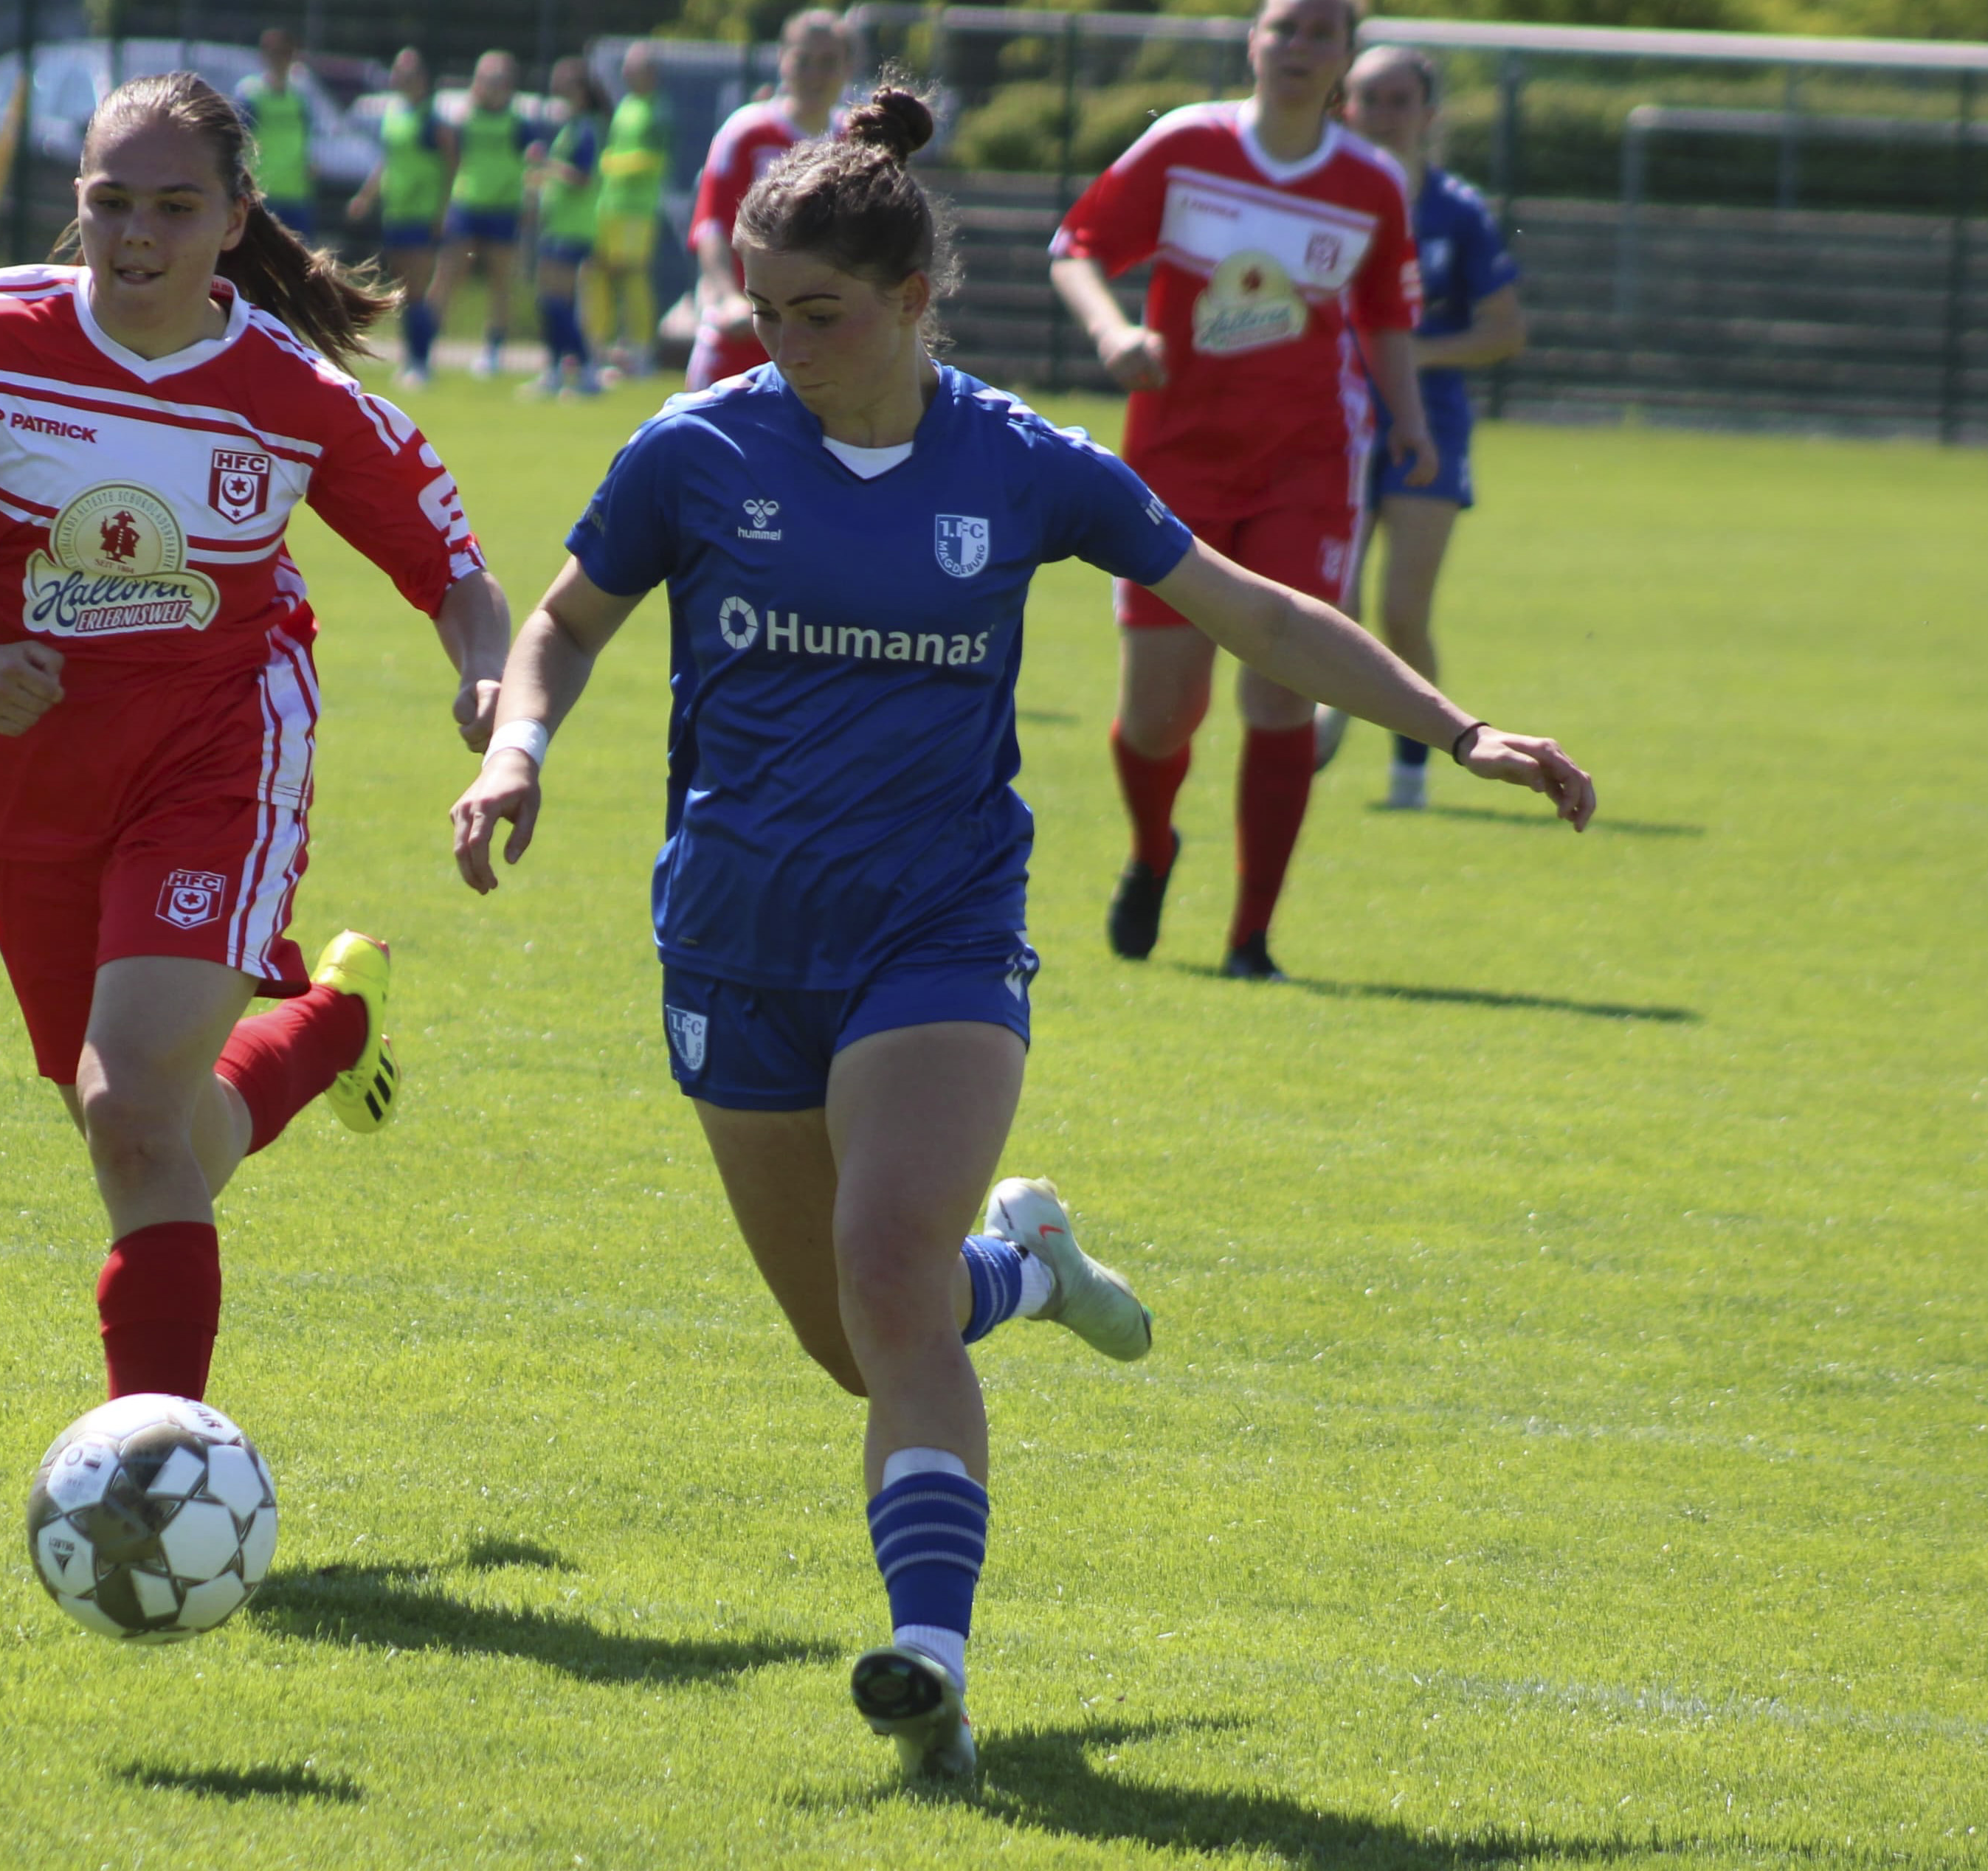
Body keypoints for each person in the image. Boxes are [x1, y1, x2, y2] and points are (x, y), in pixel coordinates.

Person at [449, 85, 1591, 1782]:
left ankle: (928, 1665)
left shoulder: (1021, 462)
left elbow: (1250, 609)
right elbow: (559, 623)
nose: (780, 346)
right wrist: (517, 748)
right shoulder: (693, 448)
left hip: (938, 931)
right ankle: (1031, 1269)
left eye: (818, 314)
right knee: (855, 1342)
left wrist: (1455, 726)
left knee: (886, 1273)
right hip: (732, 944)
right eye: (761, 312)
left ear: (913, 300)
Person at [0, 74, 513, 1406]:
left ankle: (157, 1468)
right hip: (32, 775)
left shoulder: (289, 393)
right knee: (152, 1133)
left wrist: (486, 688)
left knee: (131, 1109)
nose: (136, 232)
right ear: (77, 204)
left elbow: (454, 573)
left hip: (219, 753)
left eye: (176, 206)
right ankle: (332, 1024)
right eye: (111, 201)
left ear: (235, 218)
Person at [1048, 0, 1429, 980]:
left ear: (1343, 58)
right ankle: (1151, 848)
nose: (1298, 48)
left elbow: (1385, 316)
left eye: (1320, 34)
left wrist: (1410, 422)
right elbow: (1076, 245)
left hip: (1308, 464)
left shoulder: (1370, 183)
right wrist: (1111, 333)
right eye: (1282, 28)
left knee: (1281, 691)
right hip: (1173, 460)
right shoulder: (1186, 146)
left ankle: (1250, 938)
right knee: (1158, 715)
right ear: (1251, 42)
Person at [1319, 44, 1528, 810]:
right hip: (1326, 418)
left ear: (1428, 114)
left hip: (1426, 422)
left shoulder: (1456, 211)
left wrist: (1405, 354)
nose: (1381, 114)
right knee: (1330, 605)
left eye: (1398, 100)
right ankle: (1319, 723)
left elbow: (1504, 331)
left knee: (1403, 613)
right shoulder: (1319, 196)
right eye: (1367, 98)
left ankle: (1412, 770)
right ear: (1345, 107)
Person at [686, 9, 849, 389]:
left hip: (821, 344)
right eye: (803, 60)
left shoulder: (856, 142)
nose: (814, 74)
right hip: (743, 333)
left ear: (847, 68)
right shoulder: (747, 133)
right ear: (782, 60)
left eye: (828, 62)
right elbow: (711, 226)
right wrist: (729, 299)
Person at [427, 51, 539, 379]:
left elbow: (532, 166)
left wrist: (529, 204)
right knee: (448, 275)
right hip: (467, 204)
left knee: (500, 281)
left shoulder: (519, 124)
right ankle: (425, 346)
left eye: (498, 79)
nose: (491, 86)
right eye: (486, 78)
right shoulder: (463, 119)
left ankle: (493, 350)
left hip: (504, 207)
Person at [348, 48, 452, 388]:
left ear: (421, 78)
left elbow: (451, 164)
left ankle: (422, 360)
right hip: (397, 213)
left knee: (418, 291)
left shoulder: (432, 120)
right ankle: (411, 357)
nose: (398, 77)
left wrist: (442, 210)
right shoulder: (394, 114)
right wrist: (366, 197)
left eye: (406, 72)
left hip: (422, 214)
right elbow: (387, 162)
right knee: (405, 290)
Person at [526, 55, 609, 398]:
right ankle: (559, 368)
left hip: (573, 228)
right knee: (552, 301)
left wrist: (547, 165)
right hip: (558, 225)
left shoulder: (586, 129)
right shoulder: (572, 127)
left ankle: (585, 368)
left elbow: (582, 177)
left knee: (555, 301)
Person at [589, 42, 671, 378]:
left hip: (638, 209)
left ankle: (641, 349)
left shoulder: (659, 111)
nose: (626, 73)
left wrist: (609, 164)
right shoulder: (625, 106)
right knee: (600, 274)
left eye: (633, 67)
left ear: (650, 73)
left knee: (633, 275)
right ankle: (600, 347)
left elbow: (654, 160)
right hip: (610, 206)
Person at [238, 28, 315, 240]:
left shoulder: (299, 97)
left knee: (299, 253)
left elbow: (306, 138)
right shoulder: (251, 94)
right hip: (263, 192)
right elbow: (241, 141)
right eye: (274, 52)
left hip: (296, 193)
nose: (280, 59)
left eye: (285, 52)